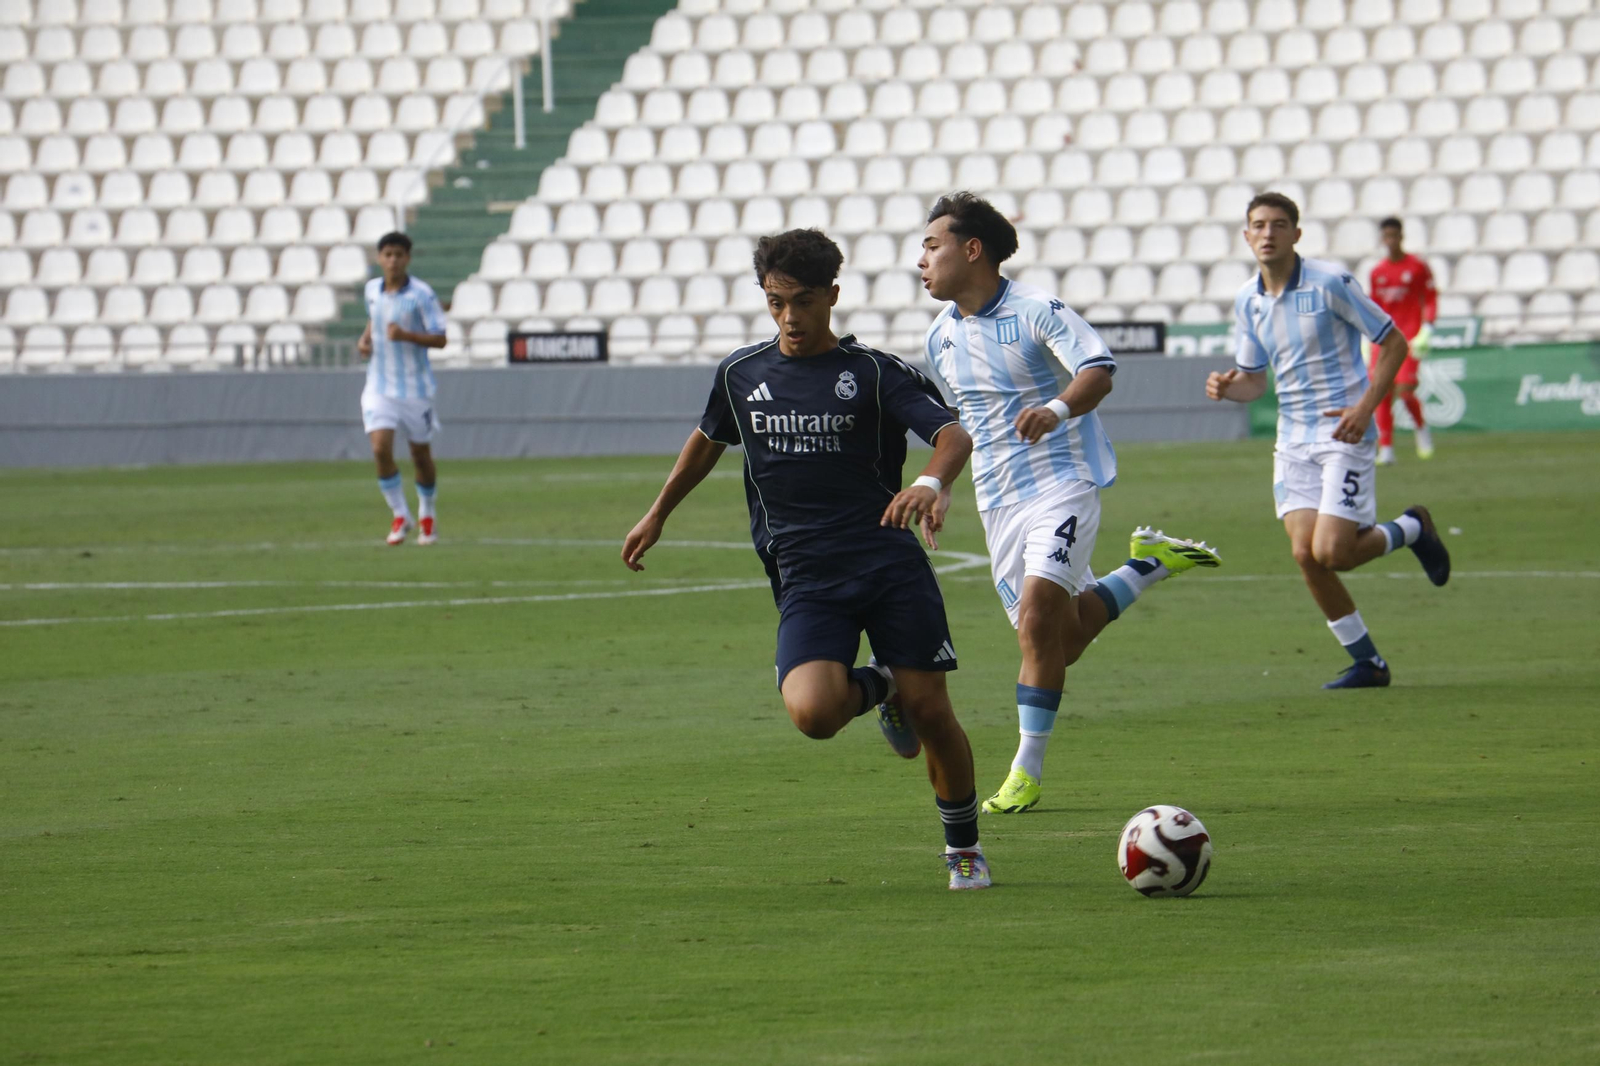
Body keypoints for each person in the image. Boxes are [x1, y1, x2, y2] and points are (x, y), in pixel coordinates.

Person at [621, 228, 992, 890]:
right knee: (815, 715)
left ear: (833, 297)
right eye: (775, 302)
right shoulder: (742, 374)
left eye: (804, 302)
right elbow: (707, 440)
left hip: (886, 564)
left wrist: (930, 483)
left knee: (933, 712)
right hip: (806, 575)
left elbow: (951, 434)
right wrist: (658, 513)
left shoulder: (875, 372)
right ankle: (880, 686)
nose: (790, 318)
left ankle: (962, 846)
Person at [915, 192, 1222, 816]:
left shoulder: (1036, 309)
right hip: (999, 502)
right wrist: (941, 485)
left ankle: (1025, 771)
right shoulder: (940, 336)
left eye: (931, 246)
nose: (921, 260)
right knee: (1062, 637)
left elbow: (1099, 368)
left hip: (1064, 482)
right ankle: (1148, 565)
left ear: (972, 250)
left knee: (1035, 624)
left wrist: (1055, 410)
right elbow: (963, 421)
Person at [1205, 192, 1451, 690]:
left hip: (1343, 429)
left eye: (1279, 224)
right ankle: (1368, 663)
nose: (1268, 233)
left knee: (1333, 553)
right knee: (1305, 555)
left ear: (1297, 234)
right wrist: (1230, 389)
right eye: (1258, 225)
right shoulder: (1246, 299)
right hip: (1292, 442)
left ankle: (1411, 527)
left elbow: (1393, 342)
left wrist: (1365, 408)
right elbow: (1255, 379)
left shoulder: (1330, 283)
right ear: (1247, 235)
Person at [356, 232, 447, 546]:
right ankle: (399, 513)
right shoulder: (371, 290)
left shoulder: (422, 295)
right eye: (387, 254)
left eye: (398, 254)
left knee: (420, 455)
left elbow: (440, 338)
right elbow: (374, 318)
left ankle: (427, 512)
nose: (392, 260)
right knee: (380, 448)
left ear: (407, 258)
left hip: (415, 389)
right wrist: (366, 338)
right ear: (380, 258)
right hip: (379, 387)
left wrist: (406, 335)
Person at [1368, 218, 1439, 465]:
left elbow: (1430, 298)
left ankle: (1421, 428)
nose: (1390, 241)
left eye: (1394, 235)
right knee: (1381, 393)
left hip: (1409, 337)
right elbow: (1374, 308)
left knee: (1406, 392)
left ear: (1401, 236)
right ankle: (1386, 449)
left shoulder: (1418, 267)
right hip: (1383, 340)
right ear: (1382, 238)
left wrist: (1427, 328)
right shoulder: (1377, 272)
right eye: (1386, 236)